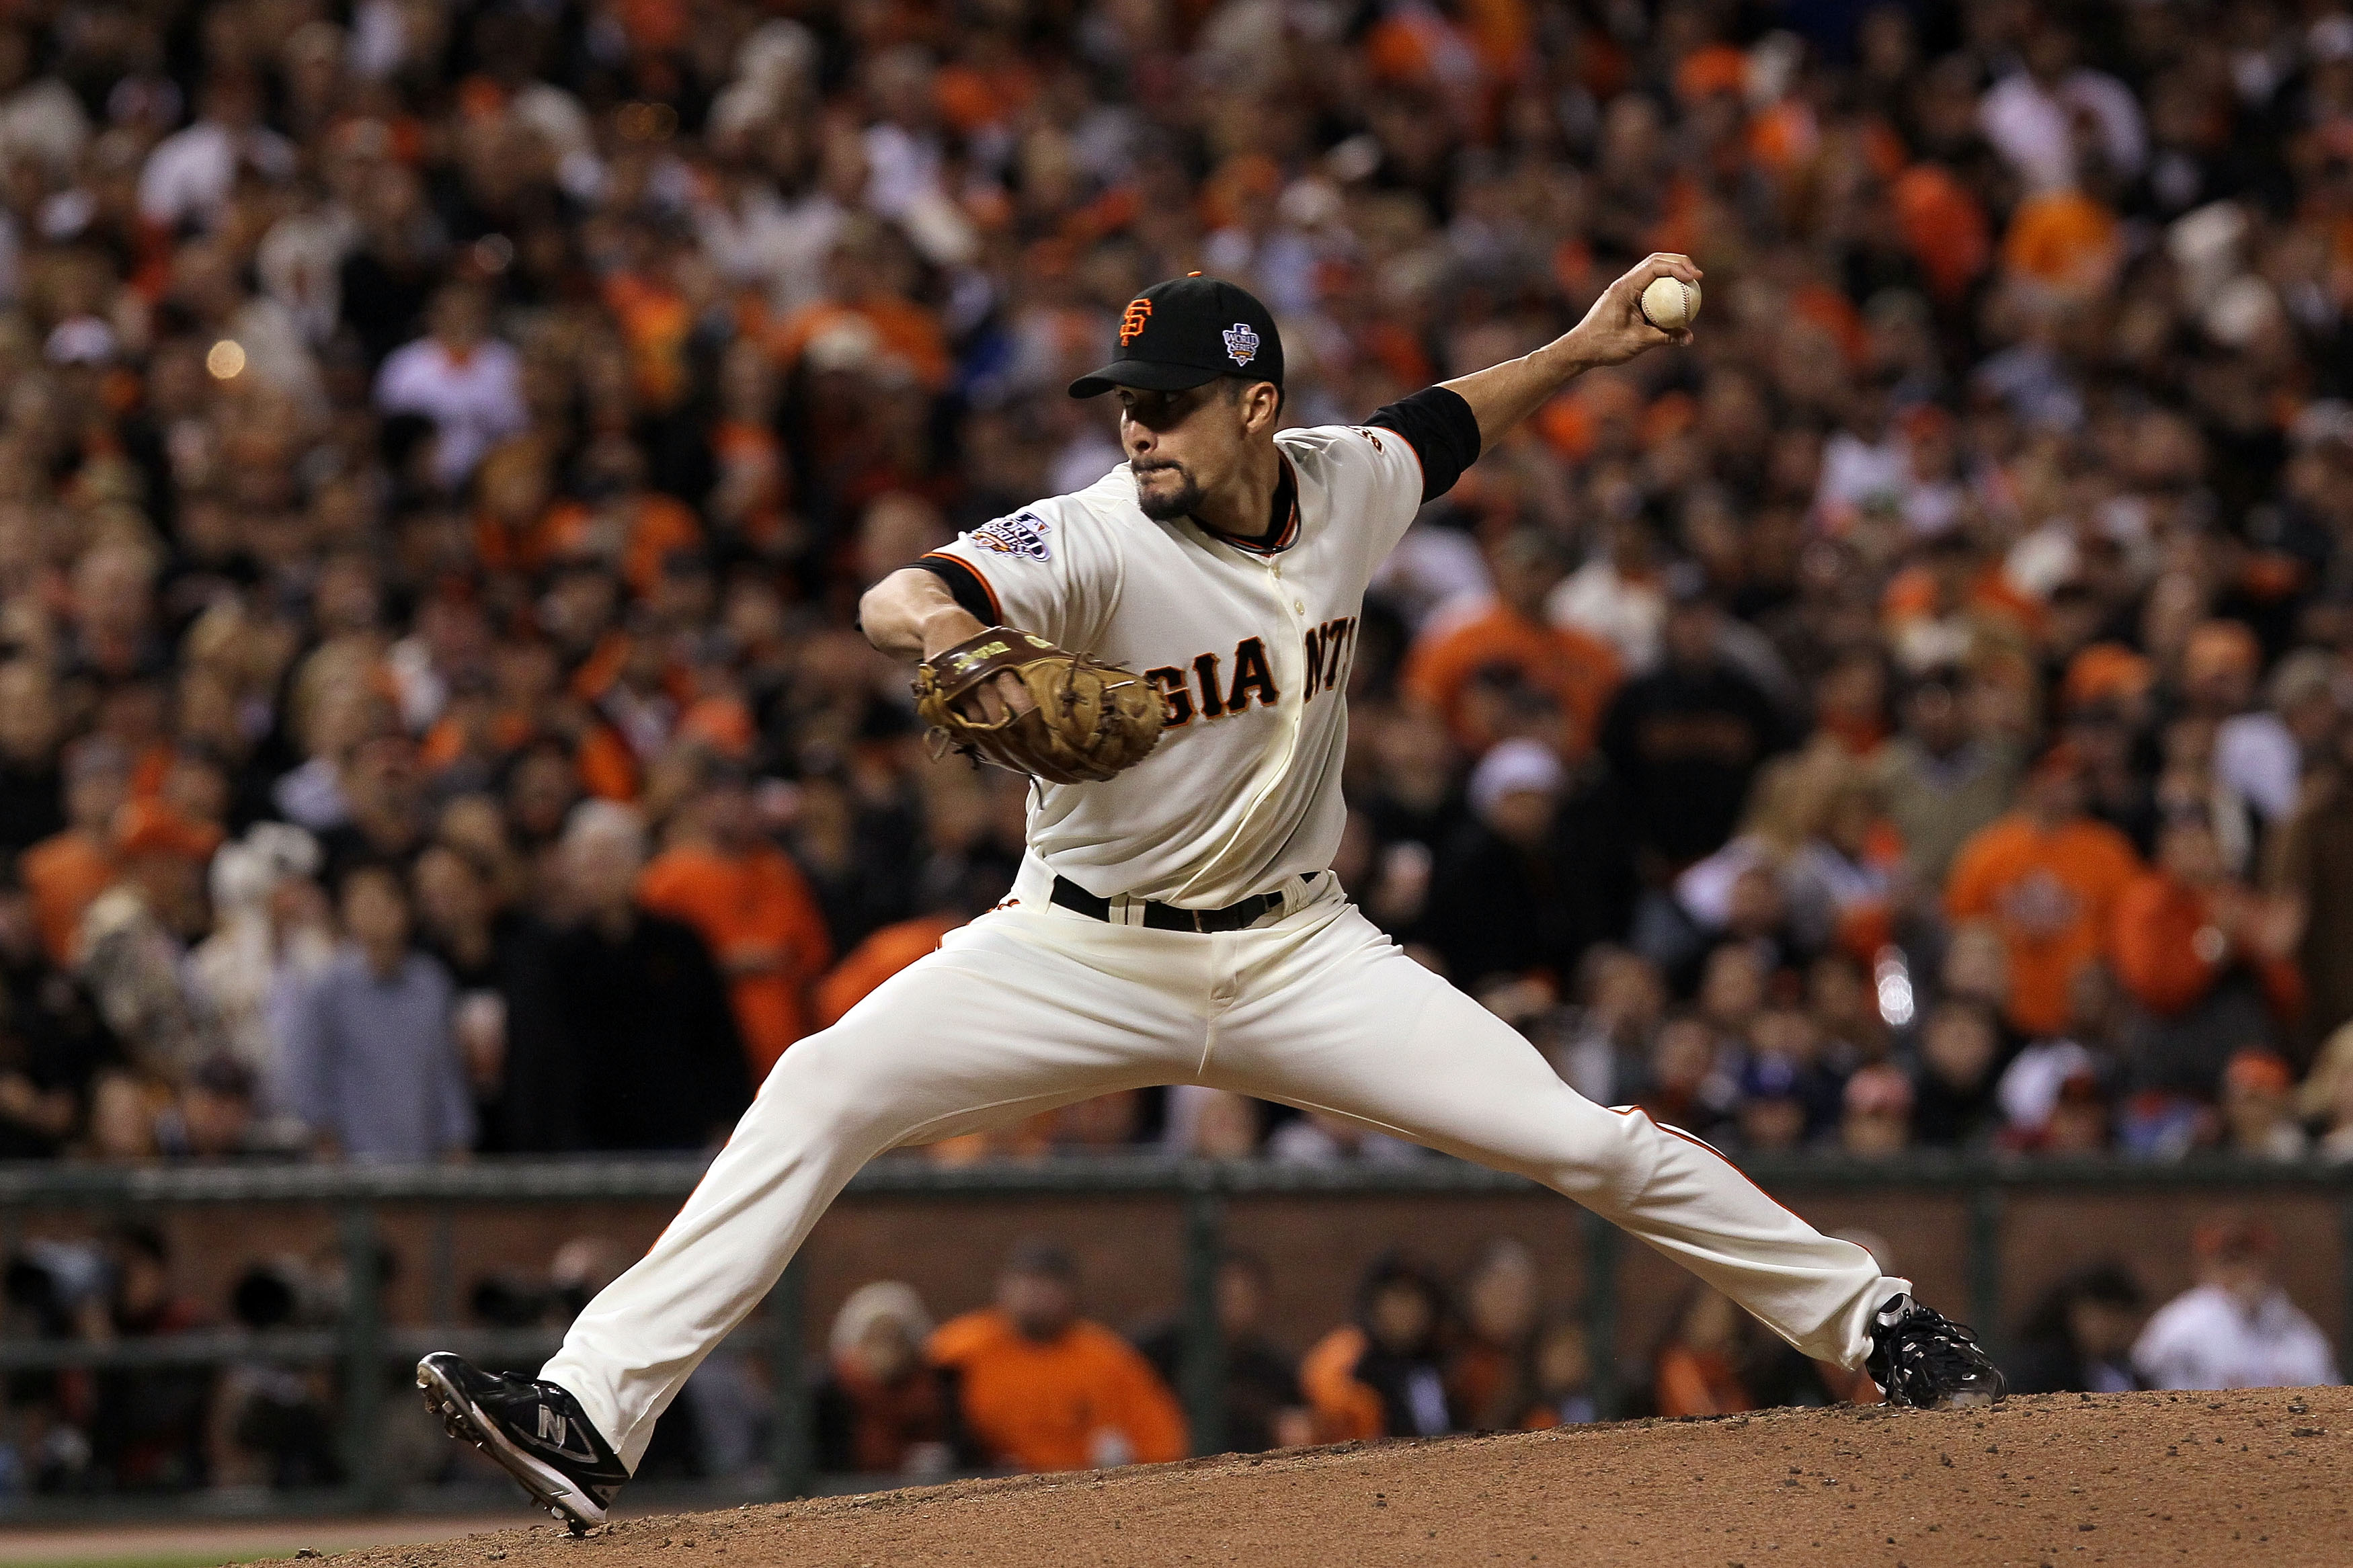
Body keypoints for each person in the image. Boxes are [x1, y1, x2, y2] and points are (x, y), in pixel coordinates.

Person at [418, 264, 2001, 1534]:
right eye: (1123, 404)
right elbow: (903, 590)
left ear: (1259, 407)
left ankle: (1883, 1329)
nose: (1138, 431)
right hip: (1078, 946)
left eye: (1169, 404)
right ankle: (590, 1415)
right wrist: (956, 645)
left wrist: (1582, 352)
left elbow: (1447, 420)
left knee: (1585, 1139)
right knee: (823, 1082)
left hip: (1304, 951)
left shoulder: (1351, 483)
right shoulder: (1096, 539)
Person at [924, 1241, 1186, 1473]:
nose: (1035, 1295)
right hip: (988, 1491)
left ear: (1071, 1295)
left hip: (1085, 1494)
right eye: (1026, 1282)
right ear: (1004, 1289)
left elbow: (1163, 1442)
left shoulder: (1106, 1356)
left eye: (1047, 1285)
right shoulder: (959, 1347)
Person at [278, 862, 473, 1162]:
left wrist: (457, 1141)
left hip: (423, 1163)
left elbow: (447, 1071)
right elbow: (307, 1070)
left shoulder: (431, 983)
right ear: (348, 914)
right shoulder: (328, 989)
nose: (376, 914)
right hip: (353, 1167)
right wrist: (325, 1139)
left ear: (406, 910)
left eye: (385, 901)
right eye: (364, 903)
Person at [2132, 1219, 2339, 1391]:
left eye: (2250, 1259)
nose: (2241, 1271)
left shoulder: (2300, 1333)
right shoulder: (2178, 1326)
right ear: (2202, 1268)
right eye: (2228, 1260)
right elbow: (2140, 1386)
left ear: (2269, 1265)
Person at [1135, 1249, 1308, 1454]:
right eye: (1225, 1295)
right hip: (1166, 1465)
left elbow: (1303, 1419)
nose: (1234, 1306)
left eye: (1244, 1296)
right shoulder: (1157, 1347)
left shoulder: (1272, 1365)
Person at [811, 1281, 965, 1478]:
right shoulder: (826, 1400)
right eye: (875, 1338)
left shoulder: (942, 1391)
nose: (886, 1351)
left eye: (896, 1338)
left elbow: (968, 1453)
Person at [1300, 1255, 1456, 1441]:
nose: (1406, 1311)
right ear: (1375, 1302)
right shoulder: (1351, 1354)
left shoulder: (1431, 1366)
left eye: (1417, 1300)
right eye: (1397, 1298)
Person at [2006, 1264, 2147, 1395]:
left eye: (2121, 1317)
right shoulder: (2043, 1369)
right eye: (2104, 1316)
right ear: (2075, 1315)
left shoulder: (2119, 1367)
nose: (2116, 1328)